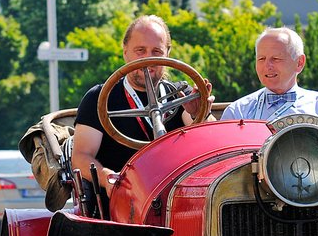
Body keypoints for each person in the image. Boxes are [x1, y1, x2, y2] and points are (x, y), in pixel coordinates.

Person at [71, 14, 213, 197]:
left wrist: (199, 113)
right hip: (120, 205)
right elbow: (81, 156)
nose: (148, 59)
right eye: (140, 50)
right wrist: (107, 178)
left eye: (156, 51)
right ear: (125, 52)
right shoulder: (99, 98)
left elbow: (210, 146)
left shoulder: (182, 95)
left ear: (167, 54)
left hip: (179, 200)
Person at [222, 26, 318, 171]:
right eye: (261, 59)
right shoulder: (237, 111)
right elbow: (221, 164)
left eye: (276, 58)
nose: (267, 66)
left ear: (300, 63)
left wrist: (314, 159)